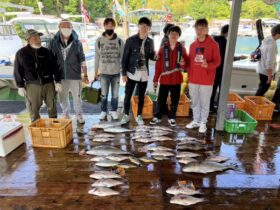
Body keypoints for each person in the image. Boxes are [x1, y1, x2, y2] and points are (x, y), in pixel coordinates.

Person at [14, 29, 61, 122]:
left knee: (52, 106)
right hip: (32, 85)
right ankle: (36, 127)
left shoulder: (47, 52)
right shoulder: (21, 53)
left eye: (38, 37)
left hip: (49, 84)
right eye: (34, 37)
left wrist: (58, 81)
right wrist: (20, 86)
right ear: (28, 39)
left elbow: (55, 67)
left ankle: (54, 125)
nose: (38, 39)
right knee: (33, 108)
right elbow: (17, 70)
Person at [49, 19, 89, 124]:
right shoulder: (53, 43)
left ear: (72, 28)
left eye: (68, 26)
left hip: (75, 75)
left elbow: (82, 59)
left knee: (77, 97)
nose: (66, 28)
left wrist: (85, 75)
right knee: (62, 97)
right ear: (59, 28)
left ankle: (79, 115)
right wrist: (52, 77)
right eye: (64, 26)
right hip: (60, 76)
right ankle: (66, 113)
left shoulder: (77, 43)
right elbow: (50, 60)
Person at [186, 18, 221, 133]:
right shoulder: (192, 45)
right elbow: (189, 62)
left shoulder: (213, 44)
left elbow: (217, 61)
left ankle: (203, 122)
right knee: (194, 101)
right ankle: (196, 120)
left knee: (205, 102)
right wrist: (183, 63)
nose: (199, 31)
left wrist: (208, 65)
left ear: (207, 29)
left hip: (206, 79)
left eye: (202, 28)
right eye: (197, 28)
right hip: (193, 79)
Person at [150, 25, 188, 126]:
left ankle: (172, 117)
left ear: (179, 36)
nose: (174, 35)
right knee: (161, 99)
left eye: (176, 33)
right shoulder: (162, 49)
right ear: (168, 34)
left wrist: (183, 63)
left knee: (175, 100)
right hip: (164, 80)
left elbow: (186, 65)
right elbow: (158, 66)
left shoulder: (183, 49)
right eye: (172, 33)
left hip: (176, 79)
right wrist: (155, 80)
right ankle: (157, 116)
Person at [121, 17, 156, 125]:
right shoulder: (130, 40)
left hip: (144, 74)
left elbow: (151, 56)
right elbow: (124, 58)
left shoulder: (150, 41)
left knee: (142, 96)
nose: (144, 28)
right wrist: (123, 73)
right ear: (138, 27)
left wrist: (155, 56)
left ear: (149, 28)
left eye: (146, 26)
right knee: (128, 95)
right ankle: (126, 115)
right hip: (132, 72)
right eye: (142, 26)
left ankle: (139, 115)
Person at [210, 24, 247, 111]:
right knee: (223, 89)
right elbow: (227, 58)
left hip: (213, 69)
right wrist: (239, 57)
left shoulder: (213, 40)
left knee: (213, 89)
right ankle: (220, 108)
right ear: (228, 32)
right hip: (222, 70)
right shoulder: (225, 42)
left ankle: (210, 106)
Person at [94, 18, 124, 121]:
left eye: (111, 26)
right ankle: (103, 111)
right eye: (107, 26)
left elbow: (123, 58)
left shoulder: (120, 41)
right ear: (104, 27)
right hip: (103, 73)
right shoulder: (99, 41)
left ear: (114, 27)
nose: (109, 28)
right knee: (104, 95)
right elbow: (96, 57)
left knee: (115, 95)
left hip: (116, 73)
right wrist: (95, 72)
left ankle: (114, 111)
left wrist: (123, 72)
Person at [255, 24, 280, 96]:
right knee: (263, 89)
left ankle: (254, 103)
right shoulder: (272, 44)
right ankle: (253, 103)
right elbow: (269, 61)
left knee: (261, 88)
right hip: (266, 71)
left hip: (261, 68)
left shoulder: (267, 39)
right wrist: (270, 75)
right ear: (278, 33)